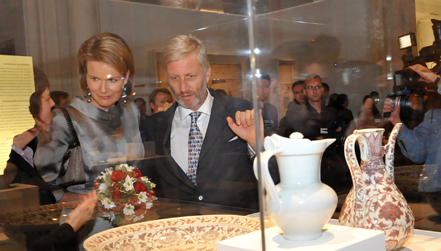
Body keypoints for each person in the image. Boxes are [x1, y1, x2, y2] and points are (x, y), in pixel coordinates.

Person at [141, 34, 262, 210]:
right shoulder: (155, 126)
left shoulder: (241, 112)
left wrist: (256, 144)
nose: (183, 88)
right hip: (180, 229)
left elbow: (277, 175)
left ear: (207, 74)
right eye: (175, 78)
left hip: (235, 228)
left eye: (190, 76)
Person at [34, 32, 144, 201]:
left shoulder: (131, 112)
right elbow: (45, 186)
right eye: (95, 79)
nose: (103, 89)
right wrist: (92, 203)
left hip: (129, 219)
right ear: (85, 76)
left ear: (126, 77)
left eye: (112, 80)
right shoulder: (63, 120)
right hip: (83, 222)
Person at [382, 64, 441, 218]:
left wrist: (436, 79)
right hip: (437, 198)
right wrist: (397, 122)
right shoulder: (435, 115)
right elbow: (418, 153)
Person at [3, 67, 64, 204]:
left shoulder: (29, 150)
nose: (53, 103)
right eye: (47, 98)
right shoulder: (8, 167)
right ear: (29, 106)